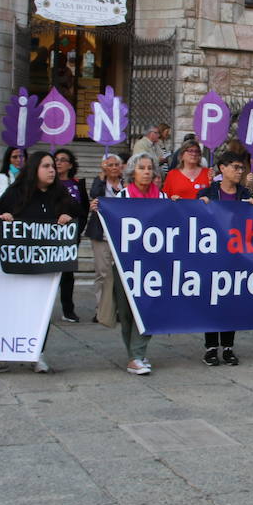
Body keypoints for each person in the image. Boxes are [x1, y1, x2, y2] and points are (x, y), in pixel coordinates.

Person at [0, 151, 80, 375]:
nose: (52, 170)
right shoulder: (16, 193)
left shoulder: (60, 194)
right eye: (46, 166)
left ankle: (36, 353)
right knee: (8, 310)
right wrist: (3, 218)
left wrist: (68, 218)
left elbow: (77, 215)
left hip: (44, 267)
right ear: (34, 169)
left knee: (40, 312)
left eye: (53, 166)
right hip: (17, 266)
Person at [95, 152, 165, 374]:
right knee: (126, 312)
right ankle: (135, 354)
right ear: (132, 172)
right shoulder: (121, 197)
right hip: (126, 264)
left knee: (149, 309)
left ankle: (137, 354)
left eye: (149, 168)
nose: (146, 172)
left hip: (153, 264)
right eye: (141, 168)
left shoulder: (162, 198)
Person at [197, 151, 253, 366]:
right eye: (235, 167)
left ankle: (227, 346)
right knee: (212, 300)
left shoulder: (244, 193)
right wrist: (200, 204)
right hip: (212, 256)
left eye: (241, 168)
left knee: (231, 300)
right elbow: (192, 217)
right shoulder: (209, 193)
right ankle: (210, 347)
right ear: (222, 168)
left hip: (236, 256)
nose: (240, 171)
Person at [87, 152, 127, 327]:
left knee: (119, 273)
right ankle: (101, 309)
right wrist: (101, 177)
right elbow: (94, 193)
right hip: (101, 233)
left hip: (120, 233)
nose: (113, 168)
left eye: (116, 165)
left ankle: (117, 308)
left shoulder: (125, 184)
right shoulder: (100, 183)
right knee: (103, 272)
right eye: (109, 165)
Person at [54, 148, 91, 323]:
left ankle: (68, 309)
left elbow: (83, 210)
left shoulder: (77, 184)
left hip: (71, 234)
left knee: (67, 272)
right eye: (56, 159)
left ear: (70, 165)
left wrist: (78, 229)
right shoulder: (49, 184)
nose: (58, 162)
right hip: (50, 233)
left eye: (62, 160)